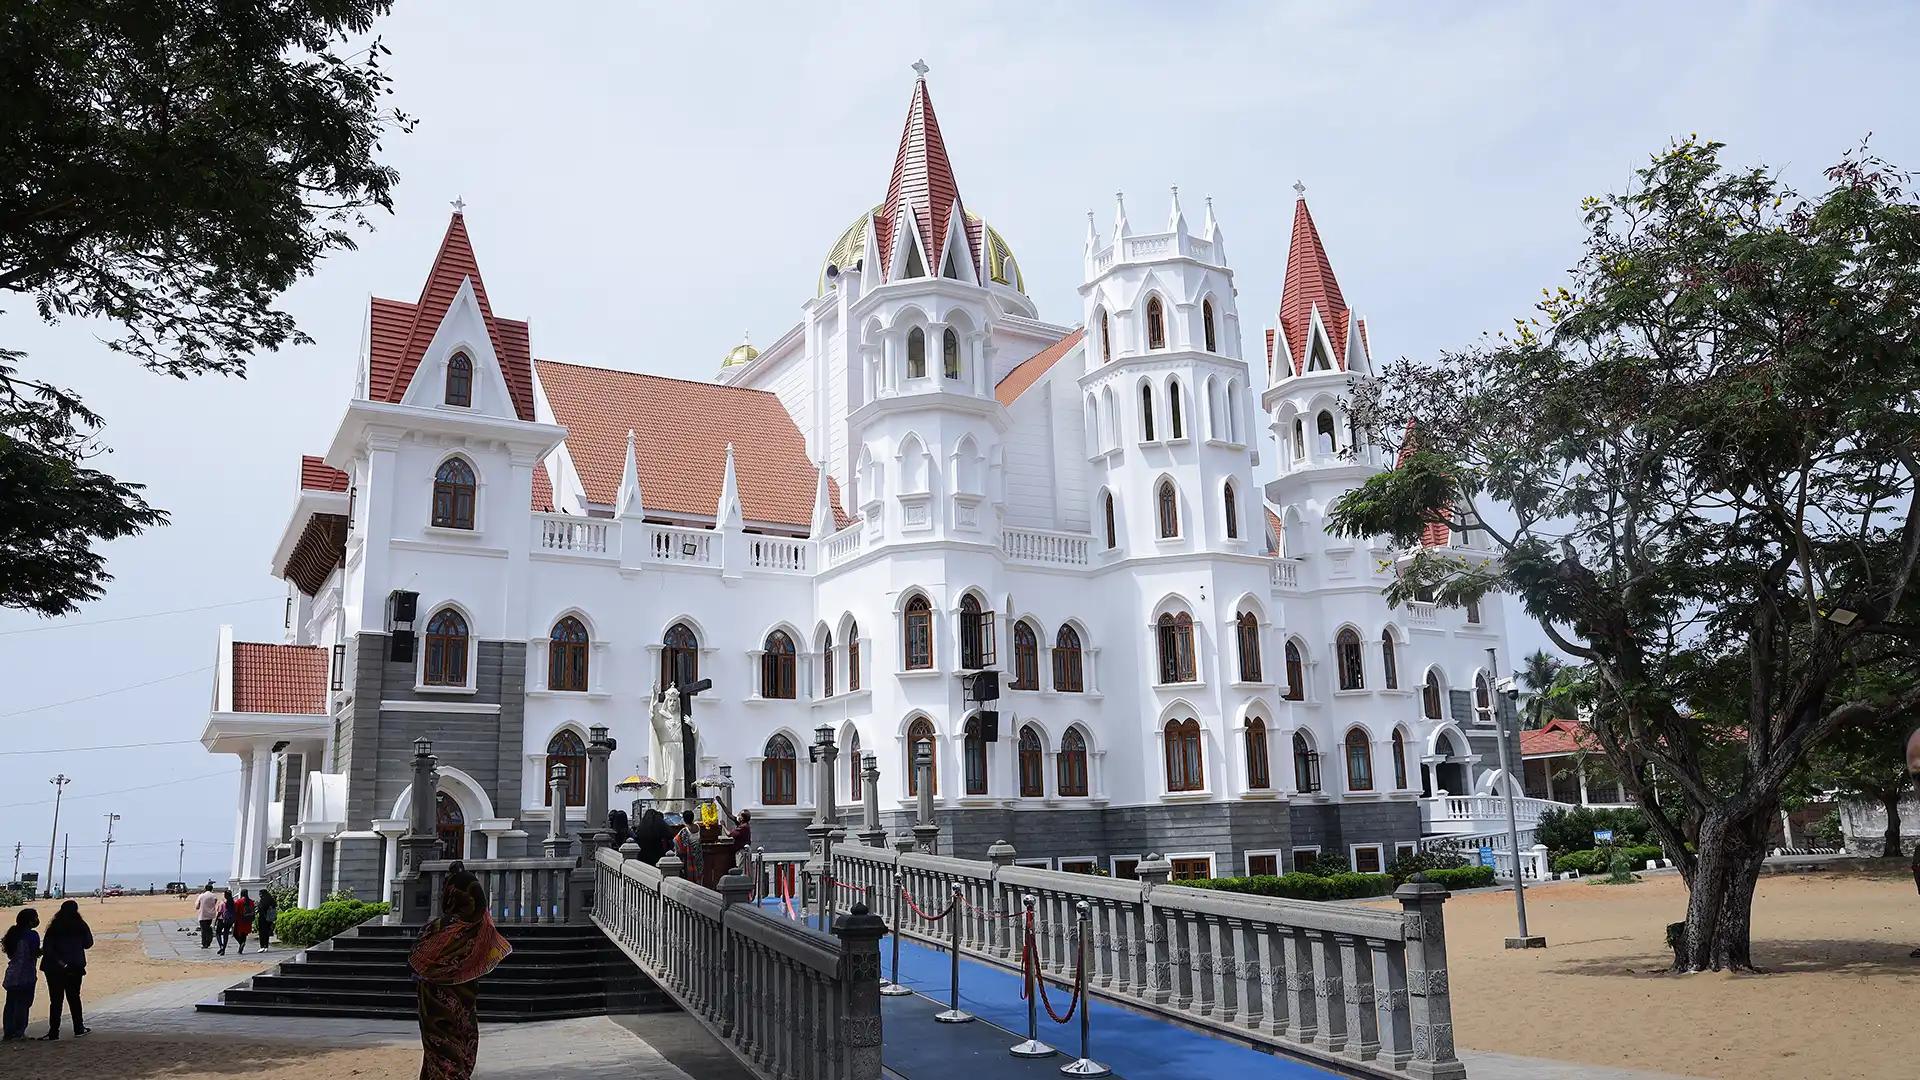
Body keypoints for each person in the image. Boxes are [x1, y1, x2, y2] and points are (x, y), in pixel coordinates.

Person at [410, 861, 512, 1080]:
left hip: (434, 1008)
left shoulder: (437, 928)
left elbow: (416, 960)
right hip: (463, 1005)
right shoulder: (482, 932)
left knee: (438, 1055)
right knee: (459, 1052)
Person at [39, 900, 90, 1040]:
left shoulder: (54, 927)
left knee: (56, 1000)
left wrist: (60, 962)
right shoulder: (81, 925)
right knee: (74, 998)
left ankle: (54, 1032)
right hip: (75, 967)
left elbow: (47, 949)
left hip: (54, 969)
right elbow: (88, 944)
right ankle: (78, 1028)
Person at [2, 909, 40, 1041]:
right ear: (30, 921)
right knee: (23, 1004)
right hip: (26, 974)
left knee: (11, 1004)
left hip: (12, 974)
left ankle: (8, 1032)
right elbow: (34, 953)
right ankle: (19, 1032)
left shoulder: (12, 934)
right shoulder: (32, 935)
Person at [231, 890, 256, 955]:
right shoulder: (251, 902)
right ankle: (241, 947)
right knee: (244, 934)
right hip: (248, 920)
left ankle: (241, 943)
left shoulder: (238, 902)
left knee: (235, 934)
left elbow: (235, 911)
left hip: (240, 920)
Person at [195, 884, 219, 949]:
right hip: (210, 915)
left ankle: (204, 943)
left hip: (202, 915)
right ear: (212, 889)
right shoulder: (214, 896)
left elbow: (197, 906)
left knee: (203, 930)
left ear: (205, 889)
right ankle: (208, 941)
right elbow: (214, 903)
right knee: (208, 928)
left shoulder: (201, 896)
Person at [215, 889, 236, 955]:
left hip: (222, 919)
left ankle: (221, 945)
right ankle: (223, 949)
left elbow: (219, 913)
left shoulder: (223, 903)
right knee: (225, 934)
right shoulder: (233, 902)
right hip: (230, 920)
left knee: (218, 933)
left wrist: (215, 920)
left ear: (225, 895)